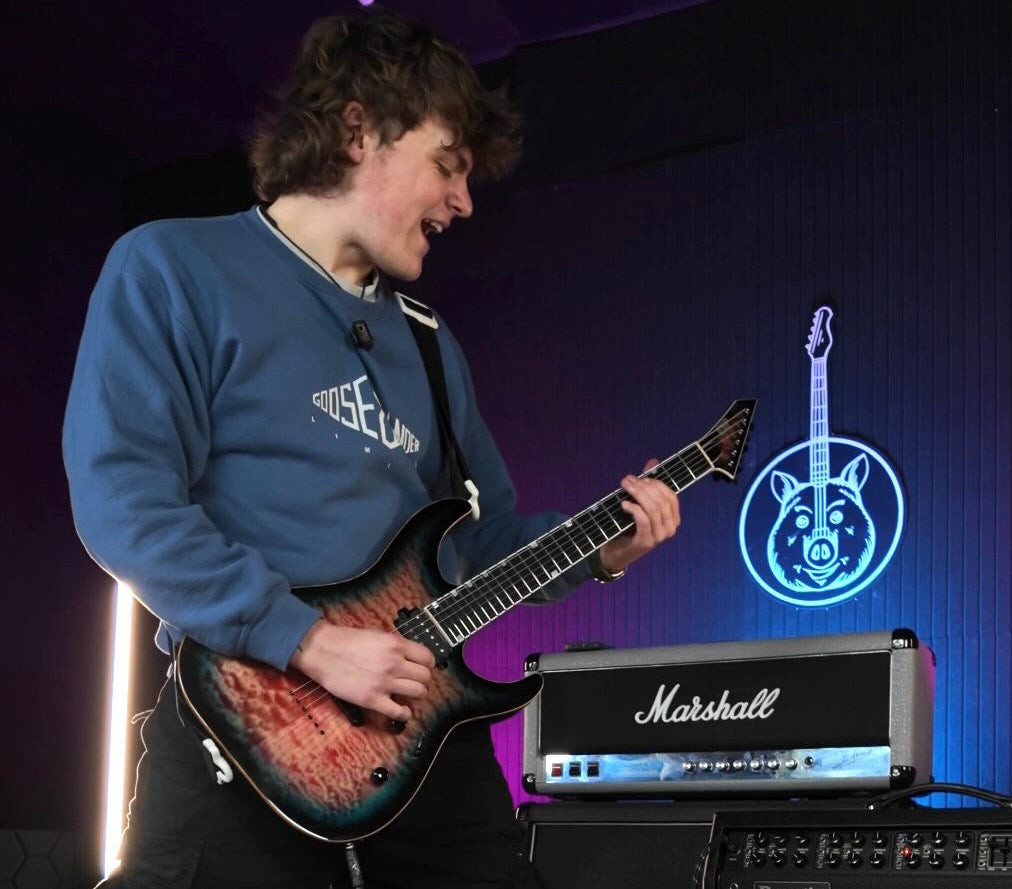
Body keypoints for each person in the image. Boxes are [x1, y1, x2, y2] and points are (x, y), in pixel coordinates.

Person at [64, 9, 680, 889]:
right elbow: (123, 499)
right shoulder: (172, 268)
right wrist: (307, 639)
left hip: (420, 731)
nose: (463, 201)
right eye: (448, 164)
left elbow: (477, 545)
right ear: (359, 129)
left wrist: (599, 550)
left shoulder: (430, 344)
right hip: (244, 726)